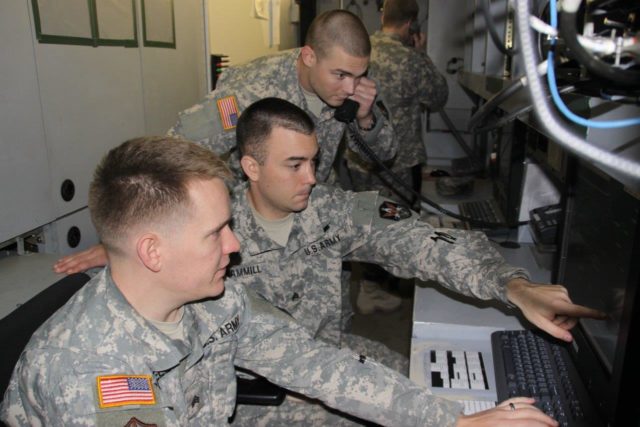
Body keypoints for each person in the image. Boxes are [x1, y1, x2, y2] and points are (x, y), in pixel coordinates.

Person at [52, 100, 604, 425]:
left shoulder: (214, 292)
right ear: (249, 166)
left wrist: (512, 287)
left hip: (304, 361)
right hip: (249, 400)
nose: (312, 178)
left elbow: (420, 242)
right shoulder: (95, 370)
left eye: (315, 162)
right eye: (295, 164)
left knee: (416, 387)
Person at [169, 9, 395, 184]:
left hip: (317, 197)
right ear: (309, 57)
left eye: (358, 75)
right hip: (258, 212)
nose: (350, 87)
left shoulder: (352, 75)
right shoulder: (249, 89)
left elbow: (386, 154)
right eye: (340, 75)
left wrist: (365, 119)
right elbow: (178, 148)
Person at [345, 0, 451, 315]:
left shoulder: (361, 53)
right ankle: (385, 288)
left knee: (367, 222)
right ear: (410, 26)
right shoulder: (408, 59)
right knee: (397, 225)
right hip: (398, 165)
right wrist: (421, 53)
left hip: (359, 160)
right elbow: (439, 96)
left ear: (383, 18)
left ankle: (370, 287)